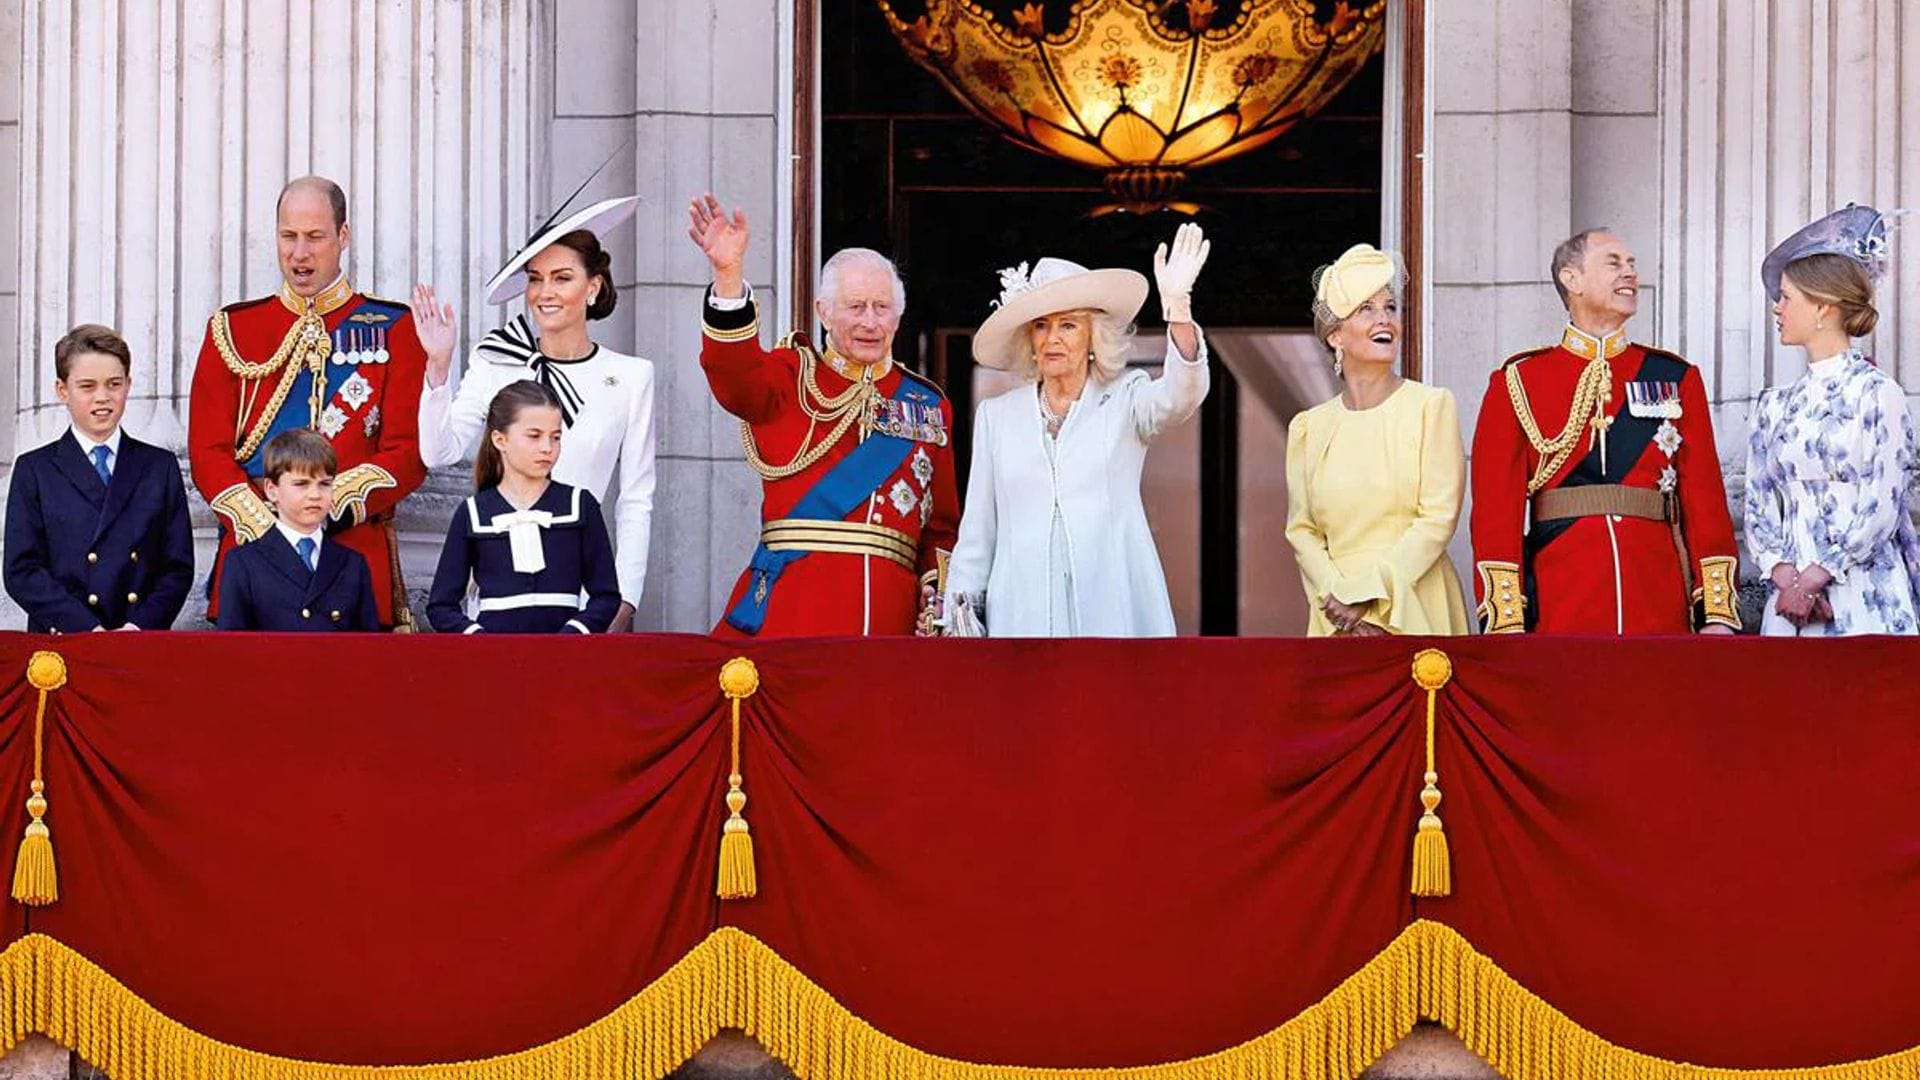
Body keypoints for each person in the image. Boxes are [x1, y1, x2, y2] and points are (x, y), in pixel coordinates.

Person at [687, 192, 958, 636]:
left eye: (882, 307)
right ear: (824, 313)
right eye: (855, 307)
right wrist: (728, 276)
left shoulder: (927, 405)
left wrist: (934, 594)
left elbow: (942, 526)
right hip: (795, 612)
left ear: (899, 316)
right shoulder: (789, 376)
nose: (870, 321)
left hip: (892, 619)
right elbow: (734, 376)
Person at [188, 176, 441, 630]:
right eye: (289, 237)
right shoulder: (232, 330)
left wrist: (326, 503)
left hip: (352, 563)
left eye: (314, 237)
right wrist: (266, 525)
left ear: (343, 237)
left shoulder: (394, 328)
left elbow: (407, 452)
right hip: (252, 562)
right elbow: (208, 452)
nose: (300, 253)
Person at [938, 225, 1210, 637]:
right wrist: (960, 617)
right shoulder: (998, 417)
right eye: (1042, 326)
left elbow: (1179, 396)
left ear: (1092, 338)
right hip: (1019, 618)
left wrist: (1177, 309)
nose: (1053, 339)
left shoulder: (1125, 398)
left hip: (1112, 612)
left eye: (1068, 326)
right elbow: (978, 532)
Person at [1470, 229, 1742, 634]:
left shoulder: (1674, 376)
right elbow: (1496, 512)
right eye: (1613, 263)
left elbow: (1704, 499)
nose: (1630, 273)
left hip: (1657, 595)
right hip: (1562, 598)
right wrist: (1507, 621)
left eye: (1632, 265)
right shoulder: (1519, 381)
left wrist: (1716, 613)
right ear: (1571, 279)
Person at [414, 195, 654, 630]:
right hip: (498, 602)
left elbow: (635, 500)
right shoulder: (497, 359)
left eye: (562, 278)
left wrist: (624, 601)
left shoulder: (632, 376)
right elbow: (438, 453)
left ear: (593, 286)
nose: (545, 293)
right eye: (535, 279)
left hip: (585, 600)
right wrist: (438, 368)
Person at [1744, 205, 1920, 636]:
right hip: (1787, 608)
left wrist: (1815, 578)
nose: (1777, 309)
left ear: (1823, 306)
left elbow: (1884, 502)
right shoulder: (1774, 405)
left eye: (1786, 297)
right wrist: (1785, 577)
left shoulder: (1878, 394)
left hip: (1865, 597)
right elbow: (1758, 502)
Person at [1285, 245, 1468, 636]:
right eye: (1365, 309)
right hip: (1335, 614)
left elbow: (1438, 519)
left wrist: (1368, 595)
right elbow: (1302, 531)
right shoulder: (1309, 428)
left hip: (1414, 602)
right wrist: (1340, 600)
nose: (1384, 319)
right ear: (1336, 336)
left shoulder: (1431, 406)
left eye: (1389, 307)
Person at [4, 324, 194, 632]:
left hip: (137, 642)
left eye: (114, 384)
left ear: (128, 385)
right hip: (63, 640)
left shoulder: (159, 466)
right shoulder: (34, 470)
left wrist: (139, 627)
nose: (102, 397)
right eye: (87, 386)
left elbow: (177, 567)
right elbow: (22, 570)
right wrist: (85, 628)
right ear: (62, 390)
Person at [426, 381, 622, 634]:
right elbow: (441, 606)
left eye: (556, 437)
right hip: (496, 663)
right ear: (500, 439)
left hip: (567, 661)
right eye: (534, 436)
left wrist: (573, 634)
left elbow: (606, 596)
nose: (547, 448)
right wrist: (479, 640)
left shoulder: (580, 505)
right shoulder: (473, 513)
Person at [214, 429, 379, 631]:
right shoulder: (243, 563)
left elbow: (367, 649)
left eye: (325, 484)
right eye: (301, 484)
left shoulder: (353, 564)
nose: (315, 495)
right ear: (272, 490)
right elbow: (232, 649)